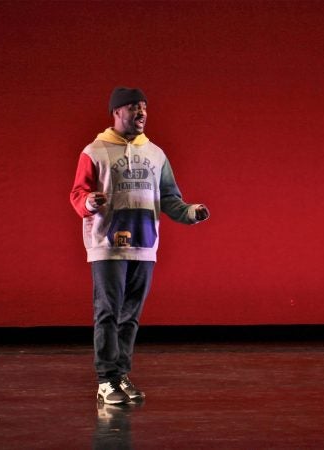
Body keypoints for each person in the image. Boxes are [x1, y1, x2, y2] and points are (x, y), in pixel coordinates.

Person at [70, 87, 210, 405]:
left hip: (144, 244)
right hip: (107, 243)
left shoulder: (156, 154)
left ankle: (121, 375)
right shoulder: (94, 151)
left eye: (144, 107)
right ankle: (106, 380)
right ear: (117, 112)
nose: (141, 112)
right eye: (134, 107)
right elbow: (78, 193)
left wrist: (191, 212)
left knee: (130, 315)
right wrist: (90, 202)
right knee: (107, 311)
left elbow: (171, 199)